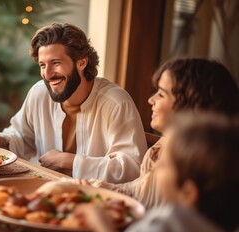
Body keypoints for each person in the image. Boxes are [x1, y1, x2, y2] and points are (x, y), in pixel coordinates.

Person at [0, 23, 147, 183]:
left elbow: (133, 168)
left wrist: (70, 161)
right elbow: (22, 137)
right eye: (42, 65)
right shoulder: (39, 93)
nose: (47, 74)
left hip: (97, 202)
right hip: (45, 193)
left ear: (82, 63)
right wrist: (0, 141)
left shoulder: (115, 103)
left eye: (55, 63)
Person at [80, 58, 239, 209]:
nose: (151, 100)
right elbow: (143, 189)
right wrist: (103, 188)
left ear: (190, 107)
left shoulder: (192, 163)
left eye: (161, 94)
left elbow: (150, 199)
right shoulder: (165, 144)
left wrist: (104, 191)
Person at [74, 111, 239, 232]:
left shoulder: (165, 226)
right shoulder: (224, 230)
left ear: (188, 193)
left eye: (164, 163)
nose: (157, 166)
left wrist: (100, 223)